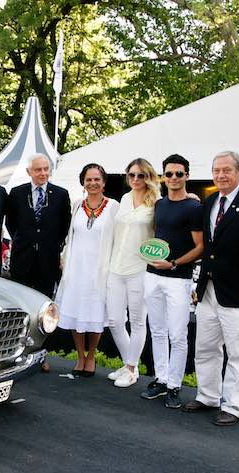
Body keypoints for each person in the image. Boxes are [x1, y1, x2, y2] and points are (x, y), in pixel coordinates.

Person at [183, 151, 239, 427]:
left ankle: (233, 406)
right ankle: (208, 396)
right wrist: (201, 285)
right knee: (206, 347)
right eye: (216, 170)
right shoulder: (211, 201)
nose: (221, 175)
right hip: (210, 290)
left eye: (226, 170)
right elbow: (209, 248)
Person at [140, 154, 203, 409]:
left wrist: (175, 263)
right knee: (156, 330)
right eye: (169, 174)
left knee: (178, 335)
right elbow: (158, 238)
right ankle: (161, 379)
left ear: (187, 175)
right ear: (163, 177)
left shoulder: (194, 207)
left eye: (179, 173)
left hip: (178, 278)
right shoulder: (160, 205)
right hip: (152, 275)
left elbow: (200, 247)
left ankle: (175, 385)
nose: (174, 178)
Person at [6, 153, 71, 373]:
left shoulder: (61, 195)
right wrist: (27, 241)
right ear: (29, 172)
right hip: (22, 260)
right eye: (38, 170)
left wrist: (48, 245)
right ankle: (16, 353)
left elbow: (64, 226)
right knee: (20, 307)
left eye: (46, 169)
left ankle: (41, 355)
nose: (43, 173)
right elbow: (11, 224)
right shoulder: (16, 194)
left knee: (44, 309)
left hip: (47, 260)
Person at [55, 163, 119, 377]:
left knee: (95, 312)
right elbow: (68, 237)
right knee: (76, 311)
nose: (92, 183)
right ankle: (80, 356)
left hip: (100, 269)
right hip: (76, 267)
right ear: (83, 182)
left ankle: (91, 355)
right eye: (88, 179)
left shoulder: (113, 207)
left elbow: (119, 239)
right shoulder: (76, 205)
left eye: (96, 179)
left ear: (104, 182)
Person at [106, 158, 160, 388]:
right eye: (131, 175)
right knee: (115, 320)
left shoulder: (157, 202)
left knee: (138, 321)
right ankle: (132, 364)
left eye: (141, 175)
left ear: (149, 176)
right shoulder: (125, 199)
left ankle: (129, 368)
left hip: (140, 269)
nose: (136, 179)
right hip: (116, 267)